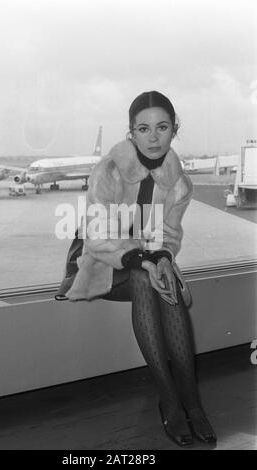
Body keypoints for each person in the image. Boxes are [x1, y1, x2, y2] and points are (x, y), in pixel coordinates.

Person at [55, 91, 217, 447]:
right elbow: (97, 235)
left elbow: (169, 236)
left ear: (175, 129)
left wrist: (160, 258)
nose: (154, 137)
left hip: (143, 260)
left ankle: (189, 402)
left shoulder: (179, 183)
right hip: (96, 259)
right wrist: (141, 260)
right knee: (145, 275)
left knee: (158, 280)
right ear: (132, 133)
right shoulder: (108, 171)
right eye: (144, 129)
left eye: (162, 127)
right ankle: (175, 403)